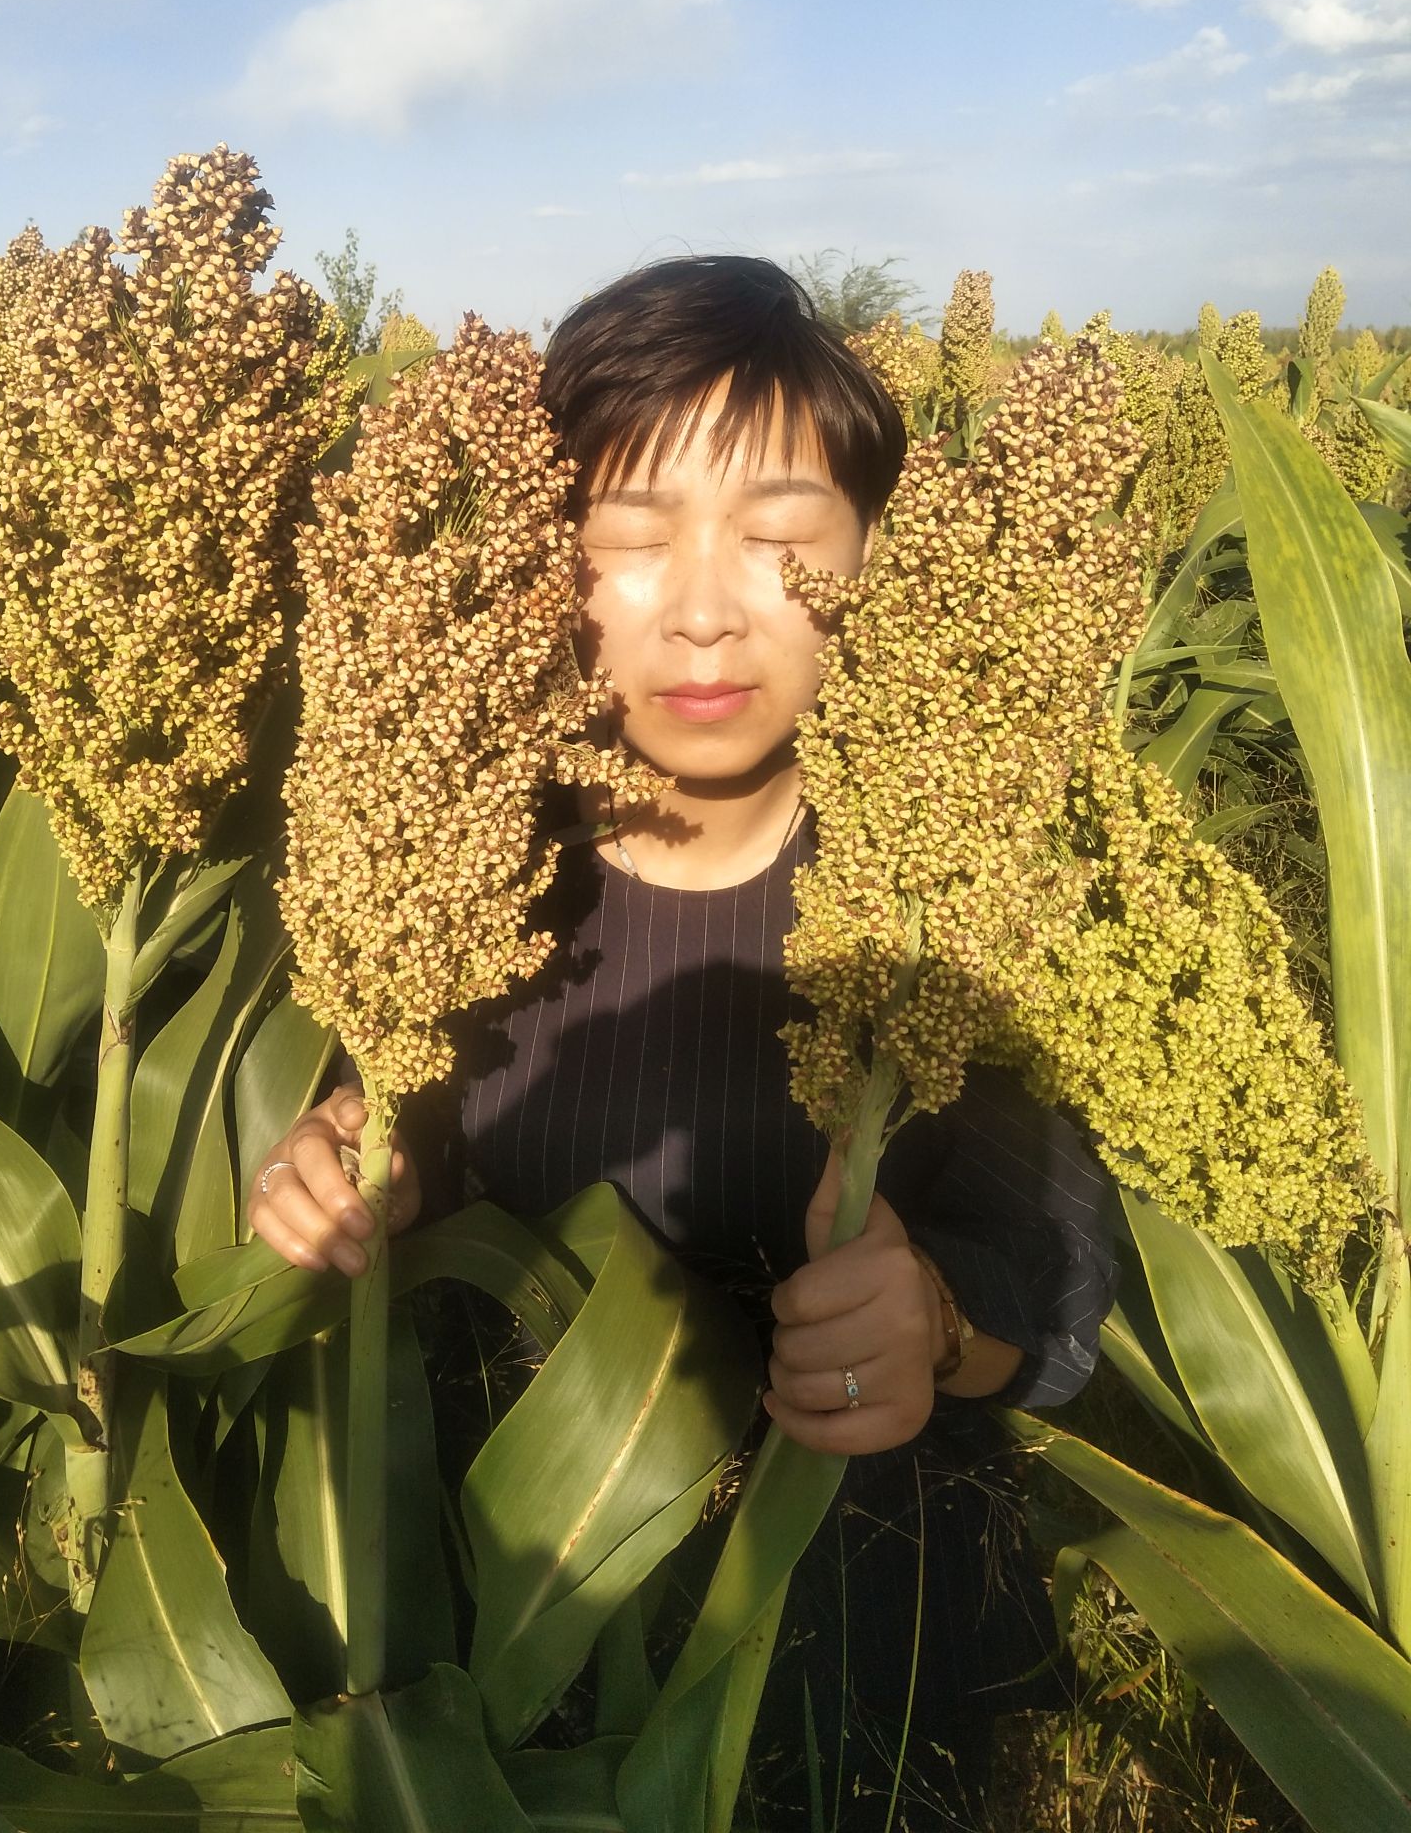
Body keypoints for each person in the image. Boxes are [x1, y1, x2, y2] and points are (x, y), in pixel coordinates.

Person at [247, 256, 1116, 1828]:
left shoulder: (948, 880)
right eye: (628, 544)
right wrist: (338, 1155)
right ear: (532, 563)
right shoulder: (448, 861)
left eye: (782, 541)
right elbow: (407, 1127)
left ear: (876, 564)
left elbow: (1058, 1281)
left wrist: (931, 1312)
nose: (706, 611)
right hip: (498, 1626)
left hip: (847, 1643)